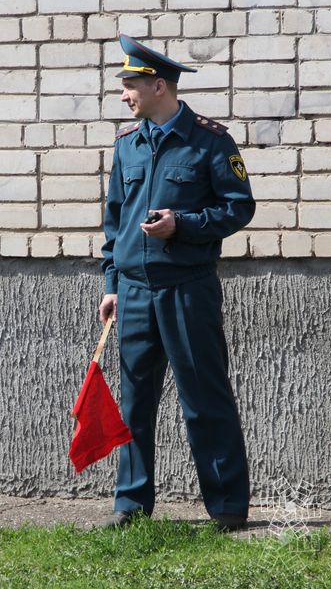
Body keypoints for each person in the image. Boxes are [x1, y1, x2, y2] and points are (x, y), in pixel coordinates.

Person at [98, 34, 256, 532]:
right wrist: (112, 283)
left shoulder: (211, 141)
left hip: (187, 289)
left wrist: (182, 225)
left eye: (130, 86)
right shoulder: (128, 144)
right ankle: (131, 505)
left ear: (158, 85)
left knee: (203, 397)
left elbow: (239, 207)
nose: (125, 95)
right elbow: (114, 221)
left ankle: (227, 508)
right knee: (134, 402)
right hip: (135, 292)